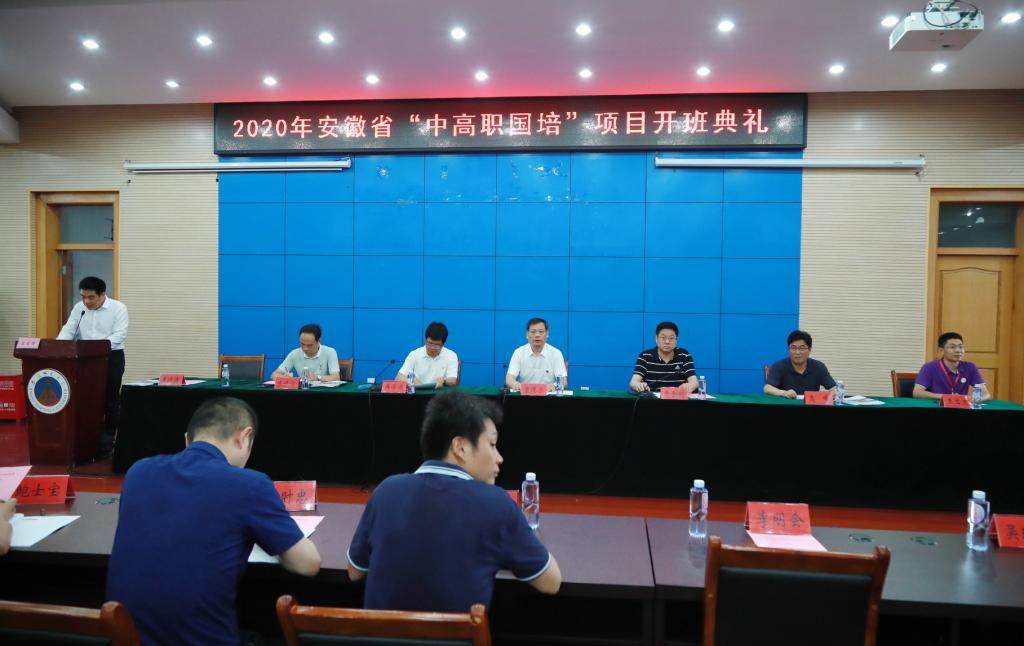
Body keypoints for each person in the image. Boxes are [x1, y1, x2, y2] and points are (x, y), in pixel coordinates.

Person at [106, 397, 320, 645]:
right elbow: (307, 564)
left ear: (187, 440)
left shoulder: (138, 471)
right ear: (244, 437)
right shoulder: (249, 485)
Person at [347, 391, 560, 611]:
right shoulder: (497, 504)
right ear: (460, 447)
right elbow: (551, 582)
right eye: (492, 444)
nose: (499, 458)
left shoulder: (386, 491)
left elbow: (354, 572)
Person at [56, 276, 128, 456]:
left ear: (102, 294)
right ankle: (87, 439)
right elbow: (69, 329)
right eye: (83, 297)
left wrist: (97, 348)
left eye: (91, 297)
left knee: (110, 399)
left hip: (111, 357)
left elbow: (120, 334)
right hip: (85, 359)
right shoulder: (79, 308)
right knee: (87, 399)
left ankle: (107, 441)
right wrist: (58, 346)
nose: (86, 301)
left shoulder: (118, 308)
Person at [914, 331, 991, 402]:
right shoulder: (929, 367)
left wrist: (972, 399)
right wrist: (945, 397)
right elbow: (917, 393)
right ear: (941, 350)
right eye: (952, 347)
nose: (958, 350)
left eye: (961, 347)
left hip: (960, 407)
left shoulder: (970, 367)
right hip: (936, 405)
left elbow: (986, 394)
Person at [763, 330, 837, 398]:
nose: (797, 352)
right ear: (788, 349)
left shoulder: (819, 367)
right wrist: (784, 393)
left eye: (802, 348)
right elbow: (767, 388)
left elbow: (833, 387)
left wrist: (834, 393)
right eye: (793, 348)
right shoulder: (779, 366)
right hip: (786, 406)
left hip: (810, 406)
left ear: (810, 349)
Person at [629, 321, 698, 393]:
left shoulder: (684, 355)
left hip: (678, 397)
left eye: (671, 338)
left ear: (676, 340)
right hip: (652, 398)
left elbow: (694, 382)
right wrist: (638, 385)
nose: (667, 341)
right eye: (663, 337)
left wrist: (690, 385)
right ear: (656, 338)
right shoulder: (645, 356)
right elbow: (634, 382)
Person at [505, 318, 567, 392]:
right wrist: (515, 384)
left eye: (541, 332)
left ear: (547, 334)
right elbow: (509, 378)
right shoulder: (519, 352)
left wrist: (554, 385)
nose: (537, 335)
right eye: (533, 332)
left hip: (548, 395)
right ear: (527, 334)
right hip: (524, 395)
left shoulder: (556, 353)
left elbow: (563, 381)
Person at [271, 323, 342, 382]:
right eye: (302, 344)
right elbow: (274, 375)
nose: (305, 348)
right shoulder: (294, 353)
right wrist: (284, 378)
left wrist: (317, 377)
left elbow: (336, 377)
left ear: (319, 341)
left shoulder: (330, 352)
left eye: (309, 345)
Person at [397, 321, 459, 388]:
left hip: (440, 393)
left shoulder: (451, 355)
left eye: (437, 345)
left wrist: (443, 381)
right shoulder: (414, 354)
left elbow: (452, 381)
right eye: (430, 343)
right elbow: (399, 377)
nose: (432, 348)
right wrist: (411, 381)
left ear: (443, 343)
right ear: (425, 339)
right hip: (418, 392)